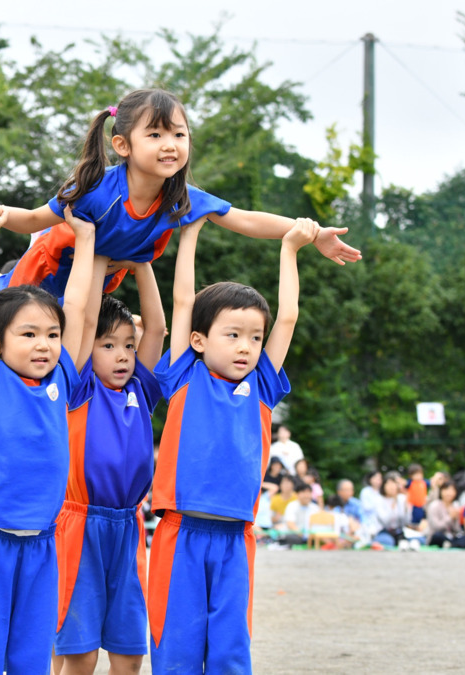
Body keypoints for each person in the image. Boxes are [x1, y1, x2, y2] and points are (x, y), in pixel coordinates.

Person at [0, 89, 360, 317]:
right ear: (122, 145)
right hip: (50, 266)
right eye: (156, 135)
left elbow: (244, 219)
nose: (170, 145)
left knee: (69, 349)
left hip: (98, 281)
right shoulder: (96, 189)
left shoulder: (180, 198)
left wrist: (314, 232)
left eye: (179, 135)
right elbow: (34, 219)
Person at [148, 215, 316, 673]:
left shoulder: (262, 384)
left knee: (229, 651)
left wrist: (290, 248)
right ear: (199, 340)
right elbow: (184, 300)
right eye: (234, 335)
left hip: (235, 538)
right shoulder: (185, 373)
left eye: (254, 338)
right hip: (180, 532)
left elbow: (289, 316)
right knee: (177, 649)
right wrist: (191, 231)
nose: (246, 346)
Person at [0, 204, 93, 673]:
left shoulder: (63, 379)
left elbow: (75, 307)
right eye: (28, 334)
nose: (43, 344)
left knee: (31, 660)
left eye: (51, 335)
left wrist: (86, 239)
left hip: (43, 545)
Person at [54, 255, 165, 675]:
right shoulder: (78, 385)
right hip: (79, 524)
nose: (122, 356)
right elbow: (79, 317)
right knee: (79, 655)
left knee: (130, 653)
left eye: (127, 346)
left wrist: (143, 262)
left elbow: (154, 327)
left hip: (129, 526)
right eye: (108, 345)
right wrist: (97, 259)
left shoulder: (142, 389)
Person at [426, 481, 465, 549]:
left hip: (451, 537)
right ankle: (457, 544)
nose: (449, 493)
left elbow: (456, 530)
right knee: (437, 536)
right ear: (441, 491)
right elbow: (436, 527)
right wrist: (450, 517)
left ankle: (452, 544)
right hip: (438, 536)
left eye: (452, 490)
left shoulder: (455, 505)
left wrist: (455, 519)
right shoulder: (435, 505)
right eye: (446, 490)